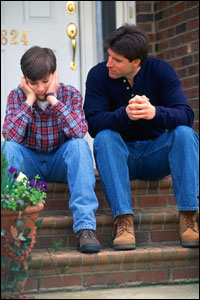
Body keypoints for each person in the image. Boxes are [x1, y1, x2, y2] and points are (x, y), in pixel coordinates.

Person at [84, 24, 199, 250]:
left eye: (116, 60)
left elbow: (186, 114)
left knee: (185, 134)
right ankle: (124, 220)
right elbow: (93, 124)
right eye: (109, 56)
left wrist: (155, 112)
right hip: (120, 156)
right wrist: (124, 114)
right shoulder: (98, 75)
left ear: (136, 61)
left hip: (156, 156)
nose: (109, 63)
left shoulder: (161, 70)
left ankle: (189, 217)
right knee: (105, 138)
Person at [2, 46, 101, 254]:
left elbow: (79, 131)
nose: (39, 88)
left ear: (54, 75)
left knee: (79, 146)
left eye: (45, 81)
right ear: (25, 80)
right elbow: (10, 136)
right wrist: (28, 101)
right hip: (30, 162)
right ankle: (9, 226)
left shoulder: (70, 93)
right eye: (33, 83)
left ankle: (86, 228)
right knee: (9, 148)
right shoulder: (17, 96)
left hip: (59, 161)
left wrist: (53, 99)